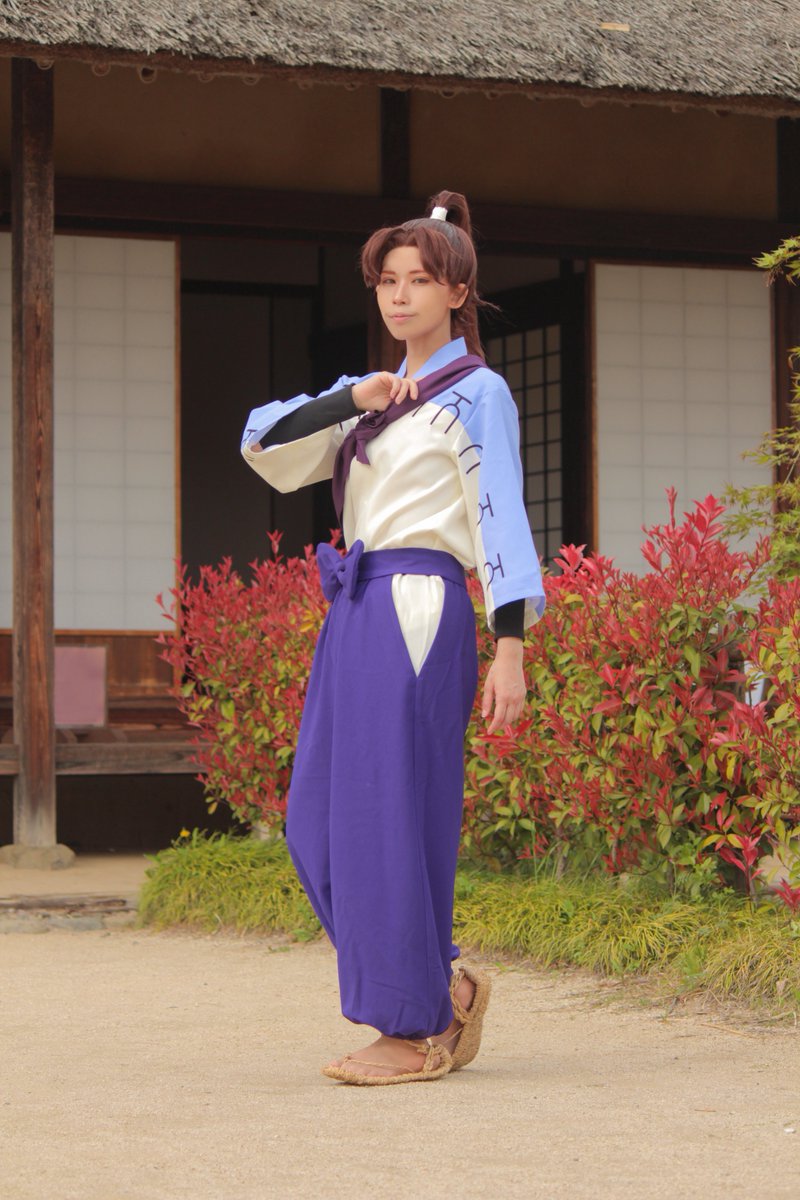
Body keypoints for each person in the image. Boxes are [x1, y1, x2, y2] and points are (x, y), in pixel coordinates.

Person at [241, 190, 545, 1086]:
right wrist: (352, 395)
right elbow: (260, 443)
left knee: (391, 815)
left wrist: (511, 647)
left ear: (458, 292)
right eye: (387, 280)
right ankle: (438, 983)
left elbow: (501, 518)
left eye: (419, 279)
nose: (400, 294)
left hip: (419, 606)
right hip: (354, 609)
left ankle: (414, 1026)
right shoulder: (372, 403)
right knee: (315, 821)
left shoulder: (478, 394)